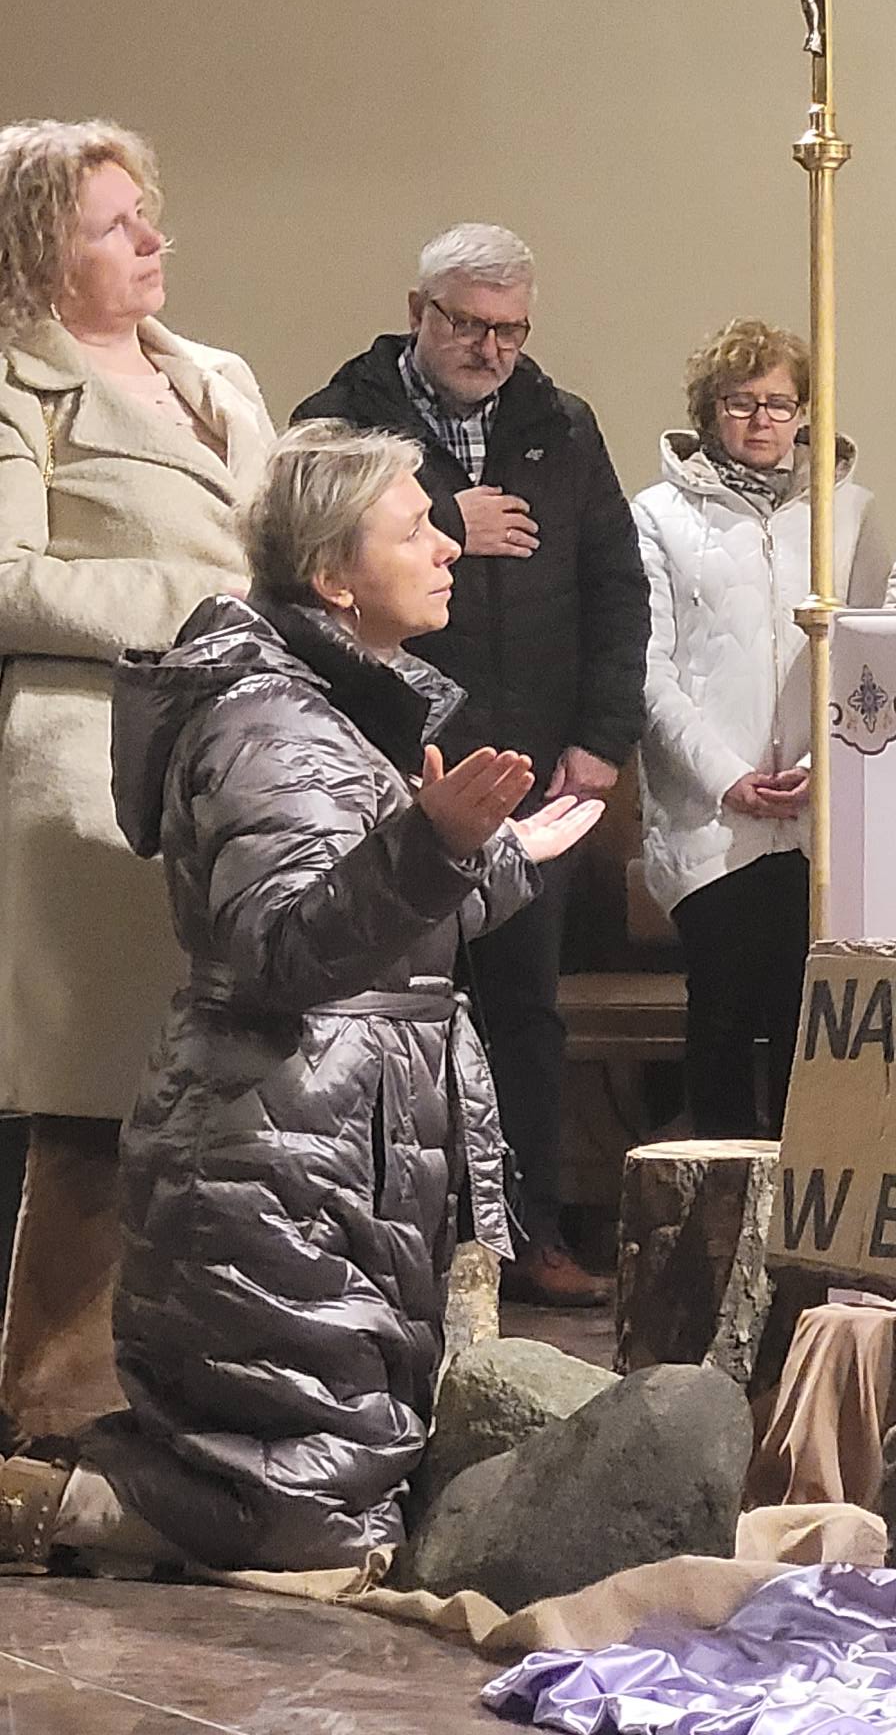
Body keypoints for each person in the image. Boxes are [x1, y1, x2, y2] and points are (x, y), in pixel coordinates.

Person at [0, 419, 602, 1574]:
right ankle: (53, 1503)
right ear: (332, 576)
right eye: (413, 529)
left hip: (320, 1145)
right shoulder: (271, 726)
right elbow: (284, 951)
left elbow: (374, 930)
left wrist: (488, 856)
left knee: (341, 1480)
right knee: (306, 1510)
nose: (447, 546)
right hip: (278, 1155)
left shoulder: (325, 711)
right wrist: (434, 846)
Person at [297, 224, 649, 1306]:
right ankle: (398, 1248)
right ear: (419, 311)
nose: (490, 348)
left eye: (511, 329)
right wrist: (449, 518)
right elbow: (302, 566)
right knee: (397, 1009)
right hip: (393, 772)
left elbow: (617, 587)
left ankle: (529, 1236)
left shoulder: (561, 424)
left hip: (532, 773)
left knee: (523, 1011)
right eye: (467, 324)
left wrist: (600, 738)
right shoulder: (341, 417)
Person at [0, 118, 274, 1446]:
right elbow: (9, 579)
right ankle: (53, 1421)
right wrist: (205, 602)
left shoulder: (215, 374)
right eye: (114, 226)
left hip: (236, 765)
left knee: (216, 1102)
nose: (153, 239)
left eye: (144, 213)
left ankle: (193, 1402)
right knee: (97, 1110)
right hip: (89, 777)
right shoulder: (17, 387)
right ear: (39, 250)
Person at [633, 318, 891, 1138]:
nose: (761, 420)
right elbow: (649, 666)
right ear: (709, 410)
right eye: (740, 402)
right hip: (713, 812)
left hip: (819, 807)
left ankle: (793, 1195)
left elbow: (873, 652)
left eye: (779, 403)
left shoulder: (849, 514)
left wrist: (822, 762)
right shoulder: (660, 515)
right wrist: (725, 776)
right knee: (720, 1011)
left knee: (803, 1015)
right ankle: (715, 1194)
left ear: (805, 411)